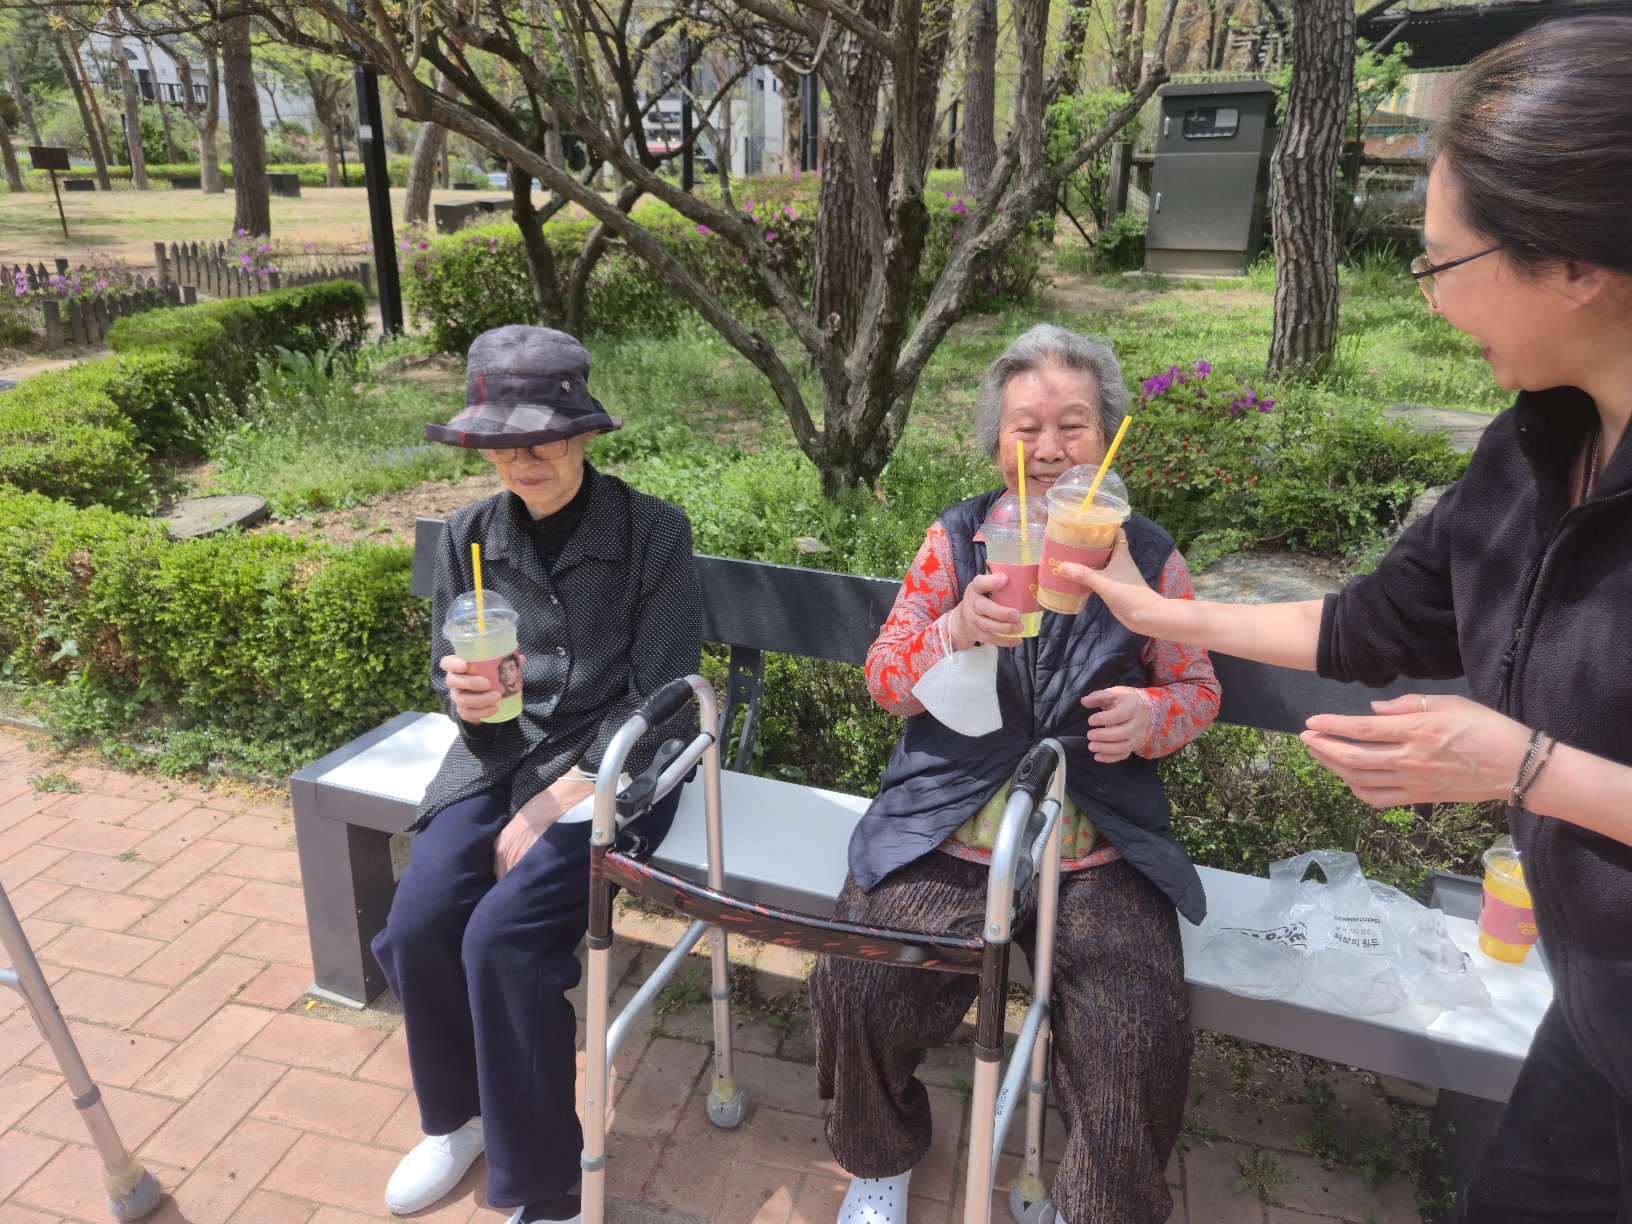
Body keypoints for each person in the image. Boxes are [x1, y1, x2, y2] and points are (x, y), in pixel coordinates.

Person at [1060, 20, 1632, 1221]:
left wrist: (1527, 766)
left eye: (1443, 261)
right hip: (1599, 1012)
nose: (1429, 296)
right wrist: (1162, 610)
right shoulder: (1539, 442)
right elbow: (1371, 626)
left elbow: (1537, 757)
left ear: (1577, 264)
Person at [810, 325, 1221, 1224]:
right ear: (996, 440)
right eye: (1025, 427)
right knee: (859, 978)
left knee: (1137, 1028)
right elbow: (886, 680)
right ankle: (879, 1160)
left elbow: (1197, 688)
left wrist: (1151, 719)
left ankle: (1094, 1206)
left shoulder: (1149, 556)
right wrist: (953, 629)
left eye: (1073, 425)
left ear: (1106, 436)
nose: (1048, 447)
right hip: (953, 821)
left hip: (1096, 835)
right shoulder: (957, 539)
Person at [373, 326, 702, 1224]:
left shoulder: (652, 533)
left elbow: (668, 692)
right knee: (418, 924)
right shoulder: (469, 536)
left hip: (620, 765)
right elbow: (450, 673)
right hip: (496, 756)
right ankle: (460, 1119)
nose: (524, 461)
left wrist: (570, 790)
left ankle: (548, 1185)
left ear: (584, 433)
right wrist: (465, 696)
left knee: (503, 939)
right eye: (502, 444)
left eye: (545, 440)